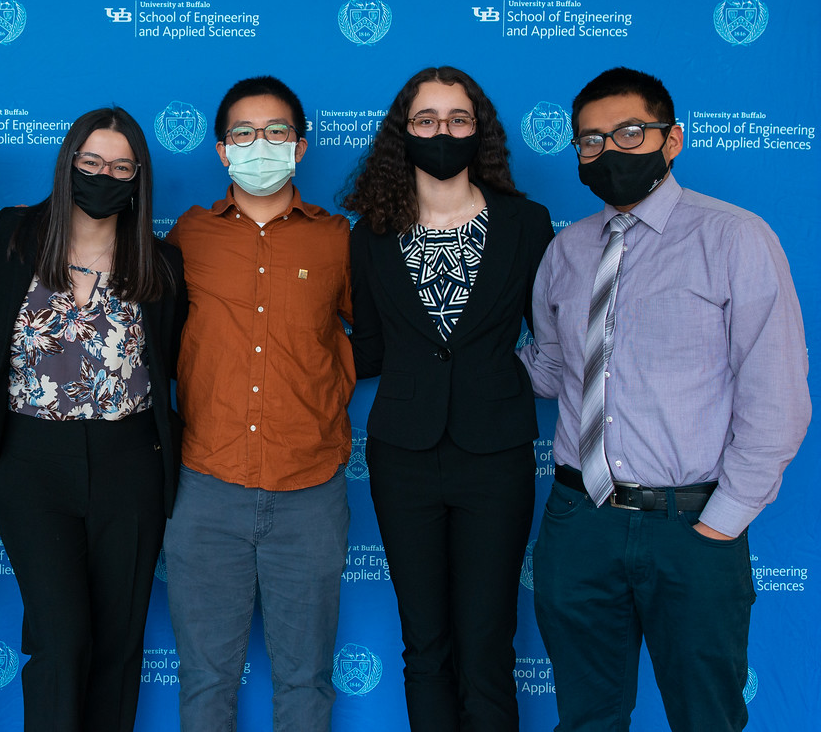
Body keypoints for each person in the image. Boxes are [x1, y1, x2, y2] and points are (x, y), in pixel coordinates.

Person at [520, 67, 810, 732]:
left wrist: (722, 522)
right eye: (591, 141)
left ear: (671, 139)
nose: (608, 151)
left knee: (706, 718)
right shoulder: (566, 251)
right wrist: (450, 347)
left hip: (692, 525)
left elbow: (776, 395)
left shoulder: (736, 238)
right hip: (579, 522)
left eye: (629, 132)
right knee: (587, 719)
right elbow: (552, 371)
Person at [342, 65, 553, 732]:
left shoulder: (525, 223)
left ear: (479, 130)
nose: (443, 132)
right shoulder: (370, 233)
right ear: (403, 132)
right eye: (427, 120)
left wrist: (496, 375)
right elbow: (370, 348)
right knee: (425, 645)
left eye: (458, 119)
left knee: (488, 644)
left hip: (496, 455)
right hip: (403, 456)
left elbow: (553, 338)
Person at [0, 107, 186, 732]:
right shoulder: (15, 235)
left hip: (131, 463)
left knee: (118, 645)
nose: (105, 177)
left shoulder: (162, 263)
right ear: (68, 163)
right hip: (33, 463)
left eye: (122, 168)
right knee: (60, 640)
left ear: (139, 178)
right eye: (92, 162)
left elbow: (170, 359)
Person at [164, 75, 354, 731]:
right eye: (243, 133)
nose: (260, 143)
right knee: (205, 679)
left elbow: (387, 339)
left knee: (306, 680)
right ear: (223, 150)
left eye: (276, 131)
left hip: (310, 490)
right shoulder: (188, 236)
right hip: (206, 486)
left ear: (299, 146)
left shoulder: (338, 240)